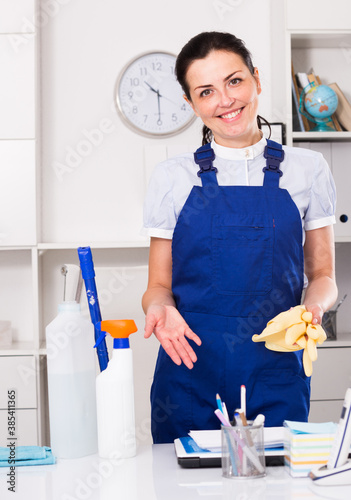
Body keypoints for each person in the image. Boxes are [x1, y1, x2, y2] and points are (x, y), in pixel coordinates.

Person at [141, 31, 338, 444]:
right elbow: (157, 287)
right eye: (206, 91)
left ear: (257, 80)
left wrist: (313, 310)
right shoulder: (172, 177)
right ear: (191, 103)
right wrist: (161, 311)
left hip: (277, 364)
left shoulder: (309, 169)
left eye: (234, 81)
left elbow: (323, 276)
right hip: (191, 365)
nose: (225, 100)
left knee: (278, 485)